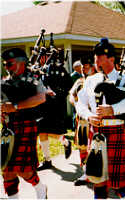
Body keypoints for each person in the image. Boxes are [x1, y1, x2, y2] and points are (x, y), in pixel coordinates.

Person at [76, 38, 125, 199]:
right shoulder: (90, 81)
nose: (96, 60)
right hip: (96, 131)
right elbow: (80, 104)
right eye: (95, 56)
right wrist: (88, 115)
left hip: (115, 130)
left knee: (119, 184)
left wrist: (113, 109)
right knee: (98, 180)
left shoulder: (123, 80)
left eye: (100, 56)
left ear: (111, 59)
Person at [1, 48, 47, 198]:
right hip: (9, 127)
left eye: (9, 64)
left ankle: (40, 188)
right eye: (5, 64)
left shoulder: (33, 78)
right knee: (7, 169)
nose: (6, 68)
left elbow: (41, 98)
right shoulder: (4, 81)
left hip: (27, 125)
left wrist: (14, 107)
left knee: (24, 170)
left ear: (21, 63)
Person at [37, 49, 74, 171]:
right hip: (41, 105)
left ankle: (66, 142)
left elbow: (69, 83)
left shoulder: (57, 69)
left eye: (43, 56)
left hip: (54, 106)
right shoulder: (38, 70)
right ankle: (47, 160)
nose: (41, 58)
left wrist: (58, 95)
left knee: (52, 132)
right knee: (42, 131)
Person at [69, 55, 96, 186]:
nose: (84, 69)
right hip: (83, 121)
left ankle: (100, 172)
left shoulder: (99, 80)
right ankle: (86, 173)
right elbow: (71, 97)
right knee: (83, 147)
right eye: (83, 67)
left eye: (87, 67)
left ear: (94, 66)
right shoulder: (80, 81)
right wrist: (78, 105)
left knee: (97, 147)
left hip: (97, 120)